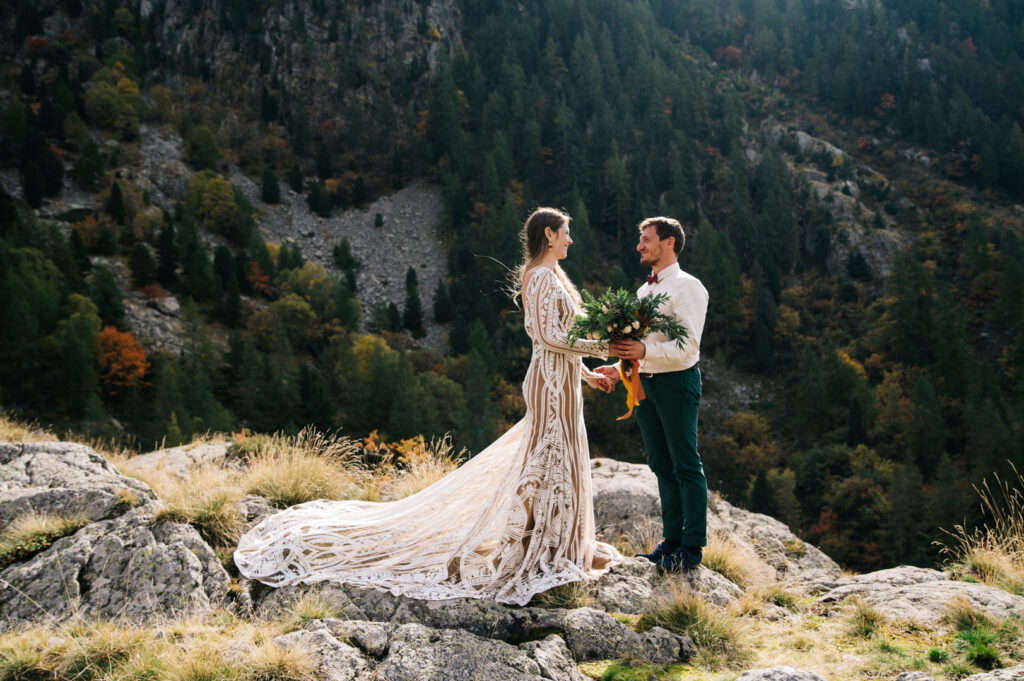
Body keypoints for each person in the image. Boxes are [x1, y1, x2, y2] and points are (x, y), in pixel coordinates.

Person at [235, 207, 620, 605]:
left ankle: (556, 545)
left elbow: (561, 340)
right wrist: (607, 346)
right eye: (566, 233)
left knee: (560, 459)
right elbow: (548, 337)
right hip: (548, 385)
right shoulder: (539, 276)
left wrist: (589, 375)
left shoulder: (554, 275)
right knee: (548, 459)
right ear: (548, 235)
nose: (570, 240)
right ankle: (538, 547)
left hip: (563, 381)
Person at [598, 216, 709, 572]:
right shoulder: (645, 291)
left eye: (646, 240)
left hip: (677, 383)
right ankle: (672, 541)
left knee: (685, 464)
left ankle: (691, 548)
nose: (639, 246)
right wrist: (618, 370)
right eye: (640, 239)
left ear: (670, 243)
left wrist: (643, 354)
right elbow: (645, 346)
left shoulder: (688, 287)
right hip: (644, 384)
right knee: (661, 464)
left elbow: (688, 347)